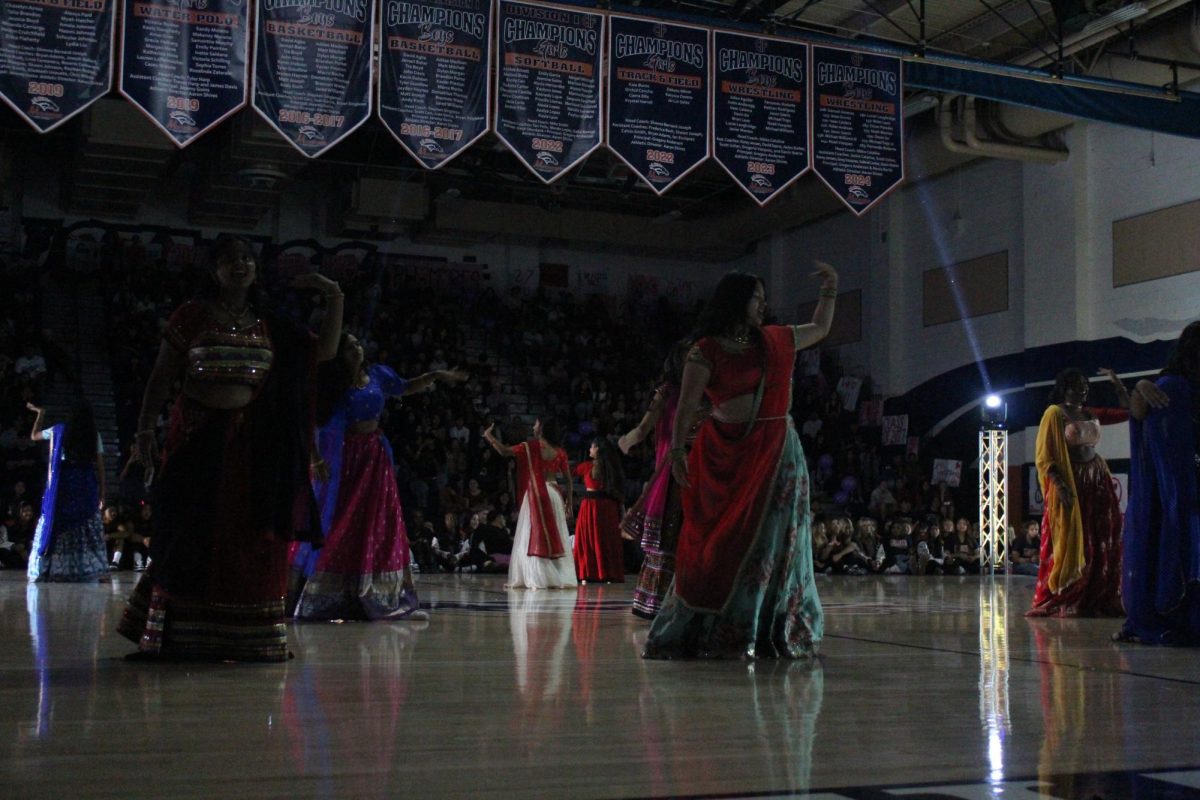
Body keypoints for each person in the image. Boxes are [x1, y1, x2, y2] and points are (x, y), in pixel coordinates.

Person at [118, 237, 343, 662]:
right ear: (214, 270)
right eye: (229, 260)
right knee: (188, 536)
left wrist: (334, 295)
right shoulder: (193, 316)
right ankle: (178, 638)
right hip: (196, 441)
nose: (239, 265)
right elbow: (161, 377)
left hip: (252, 447)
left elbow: (325, 352)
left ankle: (247, 638)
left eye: (246, 259)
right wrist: (145, 433)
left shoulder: (269, 323)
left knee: (246, 540)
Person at [643, 264, 837, 659]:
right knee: (720, 543)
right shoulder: (705, 350)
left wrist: (830, 291)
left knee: (773, 542)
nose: (764, 307)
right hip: (725, 457)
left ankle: (766, 626)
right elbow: (687, 406)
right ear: (735, 301)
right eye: (756, 299)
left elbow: (819, 329)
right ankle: (717, 625)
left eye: (766, 300)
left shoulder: (776, 340)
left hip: (778, 453)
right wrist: (678, 450)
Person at [288, 331, 466, 620]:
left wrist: (435, 374)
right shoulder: (333, 386)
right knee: (342, 521)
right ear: (338, 355)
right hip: (346, 460)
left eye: (357, 344)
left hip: (375, 458)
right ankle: (327, 594)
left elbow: (406, 387)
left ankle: (380, 594)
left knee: (378, 521)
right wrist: (315, 457)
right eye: (348, 347)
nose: (356, 349)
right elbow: (313, 421)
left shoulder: (378, 376)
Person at [1118, 324, 1200, 644]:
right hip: (1181, 497)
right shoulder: (1172, 388)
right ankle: (1174, 613)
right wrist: (1140, 387)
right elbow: (1143, 418)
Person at [1027, 367, 1129, 618]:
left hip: (1097, 478)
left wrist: (1117, 384)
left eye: (1085, 384)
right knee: (1076, 538)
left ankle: (1100, 594)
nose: (1083, 389)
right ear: (1065, 388)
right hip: (1072, 481)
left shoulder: (1090, 413)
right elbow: (1045, 455)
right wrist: (1060, 486)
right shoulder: (1055, 414)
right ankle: (1071, 595)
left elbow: (1127, 412)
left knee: (1102, 534)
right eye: (1077, 384)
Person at [618, 340, 697, 619]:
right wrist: (622, 444)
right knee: (668, 534)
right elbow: (642, 430)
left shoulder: (707, 393)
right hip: (673, 471)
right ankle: (657, 602)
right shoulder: (667, 393)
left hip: (701, 472)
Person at [483, 418, 575, 589]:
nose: (533, 426)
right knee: (554, 534)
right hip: (554, 495)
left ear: (542, 429)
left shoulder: (528, 447)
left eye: (536, 424)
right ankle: (557, 575)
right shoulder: (559, 452)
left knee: (533, 534)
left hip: (536, 495)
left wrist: (489, 436)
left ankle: (538, 575)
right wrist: (569, 501)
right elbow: (568, 480)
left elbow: (504, 452)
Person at [25, 400, 108, 582]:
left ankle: (52, 568)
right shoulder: (94, 436)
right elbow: (100, 467)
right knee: (82, 525)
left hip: (63, 485)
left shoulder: (59, 431)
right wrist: (102, 492)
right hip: (85, 485)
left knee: (59, 525)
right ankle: (80, 569)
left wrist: (41, 413)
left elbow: (34, 436)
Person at [572, 438, 625, 584]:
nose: (590, 449)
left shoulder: (587, 466)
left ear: (598, 450)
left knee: (589, 540)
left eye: (592, 447)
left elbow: (572, 471)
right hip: (609, 508)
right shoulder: (613, 468)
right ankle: (608, 572)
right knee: (606, 540)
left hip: (591, 507)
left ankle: (588, 571)